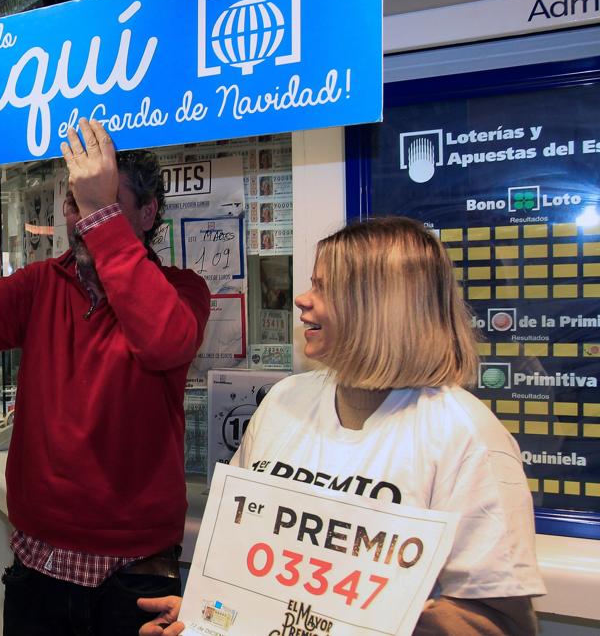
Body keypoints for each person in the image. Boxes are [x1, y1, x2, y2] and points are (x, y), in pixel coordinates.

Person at [0, 119, 211, 634]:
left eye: (103, 204)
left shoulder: (181, 291)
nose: (80, 220)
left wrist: (102, 219)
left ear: (147, 212)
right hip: (41, 561)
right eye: (76, 204)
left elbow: (162, 340)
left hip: (137, 569)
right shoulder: (42, 285)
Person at [138, 217, 545, 636]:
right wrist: (207, 613)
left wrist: (352, 614)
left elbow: (501, 623)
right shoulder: (284, 400)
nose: (302, 299)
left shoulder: (465, 435)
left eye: (324, 288)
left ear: (381, 305)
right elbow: (241, 559)